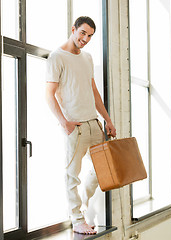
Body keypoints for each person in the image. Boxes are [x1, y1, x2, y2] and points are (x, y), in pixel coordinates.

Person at [45, 16, 116, 235]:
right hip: (75, 127)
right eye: (82, 33)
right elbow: (49, 94)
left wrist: (108, 119)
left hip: (94, 124)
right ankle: (77, 220)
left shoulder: (87, 58)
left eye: (90, 36)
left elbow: (94, 92)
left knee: (100, 171)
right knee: (72, 176)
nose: (85, 39)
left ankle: (81, 208)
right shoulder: (57, 57)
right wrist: (64, 123)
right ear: (73, 29)